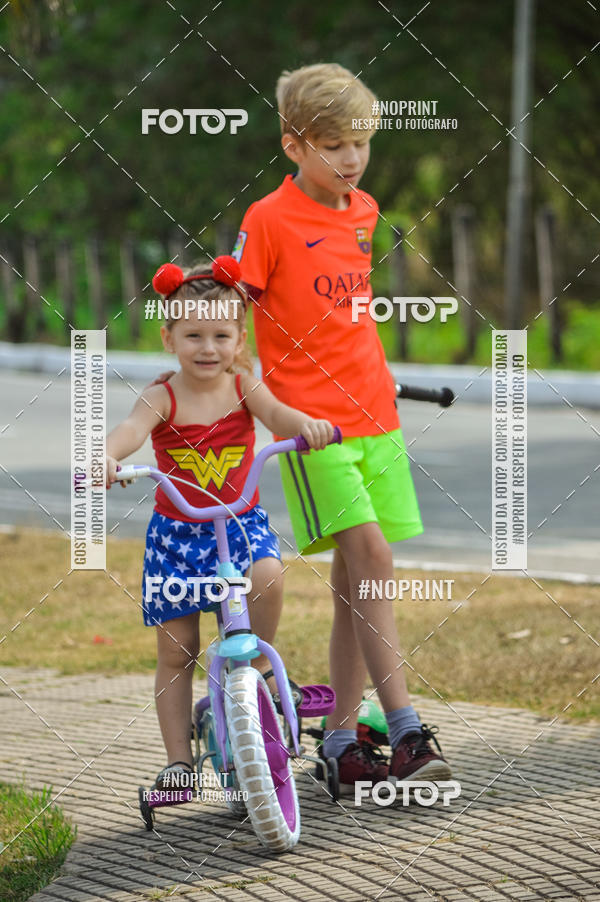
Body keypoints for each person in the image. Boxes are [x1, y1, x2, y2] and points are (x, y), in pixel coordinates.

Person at [231, 63, 452, 787]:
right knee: (376, 559)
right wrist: (268, 406)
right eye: (335, 145)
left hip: (376, 416)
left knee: (351, 582)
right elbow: (235, 328)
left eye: (361, 143)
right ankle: (410, 728)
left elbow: (345, 311)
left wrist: (378, 370)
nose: (352, 159)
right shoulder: (266, 220)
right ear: (294, 146)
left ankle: (341, 741)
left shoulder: (364, 210)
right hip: (310, 430)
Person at [106, 255, 332, 786]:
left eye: (220, 336)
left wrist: (310, 427)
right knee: (175, 651)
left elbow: (279, 417)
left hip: (239, 523)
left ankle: (255, 667)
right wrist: (106, 457)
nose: (207, 348)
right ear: (169, 338)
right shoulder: (161, 395)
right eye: (193, 336)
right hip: (177, 536)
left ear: (239, 340)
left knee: (269, 573)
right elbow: (129, 430)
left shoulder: (244, 387)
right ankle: (178, 765)